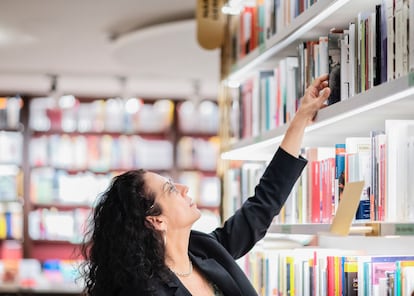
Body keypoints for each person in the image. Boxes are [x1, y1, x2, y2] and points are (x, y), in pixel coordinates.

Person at [79, 74, 331, 295]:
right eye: (170, 189)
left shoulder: (204, 249)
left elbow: (261, 207)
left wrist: (301, 119)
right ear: (156, 220)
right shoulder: (143, 289)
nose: (184, 188)